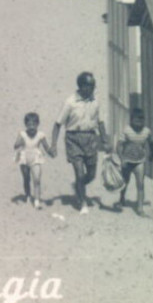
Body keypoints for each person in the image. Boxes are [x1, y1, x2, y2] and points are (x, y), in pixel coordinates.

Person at [50, 72, 107, 214]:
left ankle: (78, 186)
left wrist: (105, 140)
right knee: (79, 172)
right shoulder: (70, 102)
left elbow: (100, 122)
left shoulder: (96, 101)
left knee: (92, 174)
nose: (92, 88)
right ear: (81, 86)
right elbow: (57, 124)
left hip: (90, 139)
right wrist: (53, 145)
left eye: (93, 85)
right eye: (89, 85)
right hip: (73, 139)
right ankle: (82, 203)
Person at [109, 107, 153, 214]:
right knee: (125, 182)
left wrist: (152, 154)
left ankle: (140, 208)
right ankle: (122, 198)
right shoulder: (127, 130)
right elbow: (119, 145)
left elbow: (152, 143)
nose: (139, 122)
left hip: (140, 161)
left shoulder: (146, 131)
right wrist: (122, 159)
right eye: (137, 119)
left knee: (140, 184)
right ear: (131, 120)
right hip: (127, 161)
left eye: (142, 119)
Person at [14, 112, 54, 209]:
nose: (31, 127)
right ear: (26, 125)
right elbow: (15, 146)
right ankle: (28, 195)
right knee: (26, 178)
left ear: (37, 124)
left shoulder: (40, 135)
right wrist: (19, 142)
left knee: (36, 179)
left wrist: (51, 152)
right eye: (29, 125)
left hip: (36, 157)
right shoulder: (22, 134)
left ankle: (36, 201)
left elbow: (46, 146)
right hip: (24, 157)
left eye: (34, 124)